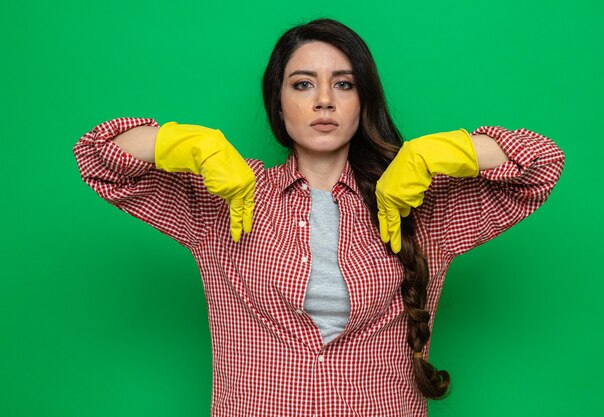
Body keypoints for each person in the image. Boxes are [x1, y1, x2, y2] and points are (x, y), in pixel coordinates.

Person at [73, 18, 565, 417]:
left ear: (362, 102)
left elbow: (541, 165)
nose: (324, 100)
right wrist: (184, 145)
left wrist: (436, 153)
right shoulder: (228, 195)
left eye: (344, 84)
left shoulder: (417, 201)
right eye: (303, 84)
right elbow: (98, 158)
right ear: (278, 102)